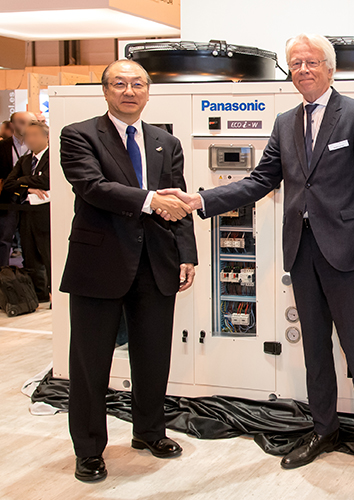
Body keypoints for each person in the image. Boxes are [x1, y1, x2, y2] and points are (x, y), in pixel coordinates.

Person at [161, 33, 354, 490]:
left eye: (311, 62)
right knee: (315, 351)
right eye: (295, 63)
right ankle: (324, 430)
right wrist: (200, 200)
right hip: (302, 253)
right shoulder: (286, 122)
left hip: (347, 257)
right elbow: (260, 180)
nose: (302, 70)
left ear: (330, 68)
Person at [59, 59, 197, 483]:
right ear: (105, 91)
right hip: (99, 264)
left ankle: (150, 432)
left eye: (138, 83)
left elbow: (179, 200)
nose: (129, 91)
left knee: (153, 355)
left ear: (148, 91)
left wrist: (187, 253)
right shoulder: (79, 135)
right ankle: (88, 450)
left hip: (156, 262)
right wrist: (151, 200)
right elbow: (93, 187)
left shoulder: (165, 142)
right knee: (90, 363)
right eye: (119, 83)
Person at [2, 121, 51, 302]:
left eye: (34, 135)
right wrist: (28, 187)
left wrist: (22, 181)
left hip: (46, 214)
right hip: (25, 213)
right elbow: (9, 184)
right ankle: (39, 294)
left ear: (46, 137)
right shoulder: (25, 159)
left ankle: (53, 294)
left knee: (48, 254)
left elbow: (46, 181)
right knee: (29, 255)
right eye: (27, 136)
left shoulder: (53, 157)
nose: (29, 139)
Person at [0, 112, 36, 266]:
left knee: (31, 241)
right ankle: (3, 274)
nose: (28, 125)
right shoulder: (3, 146)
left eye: (31, 121)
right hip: (7, 199)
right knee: (4, 238)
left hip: (32, 199)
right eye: (23, 122)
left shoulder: (38, 145)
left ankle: (32, 276)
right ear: (13, 124)